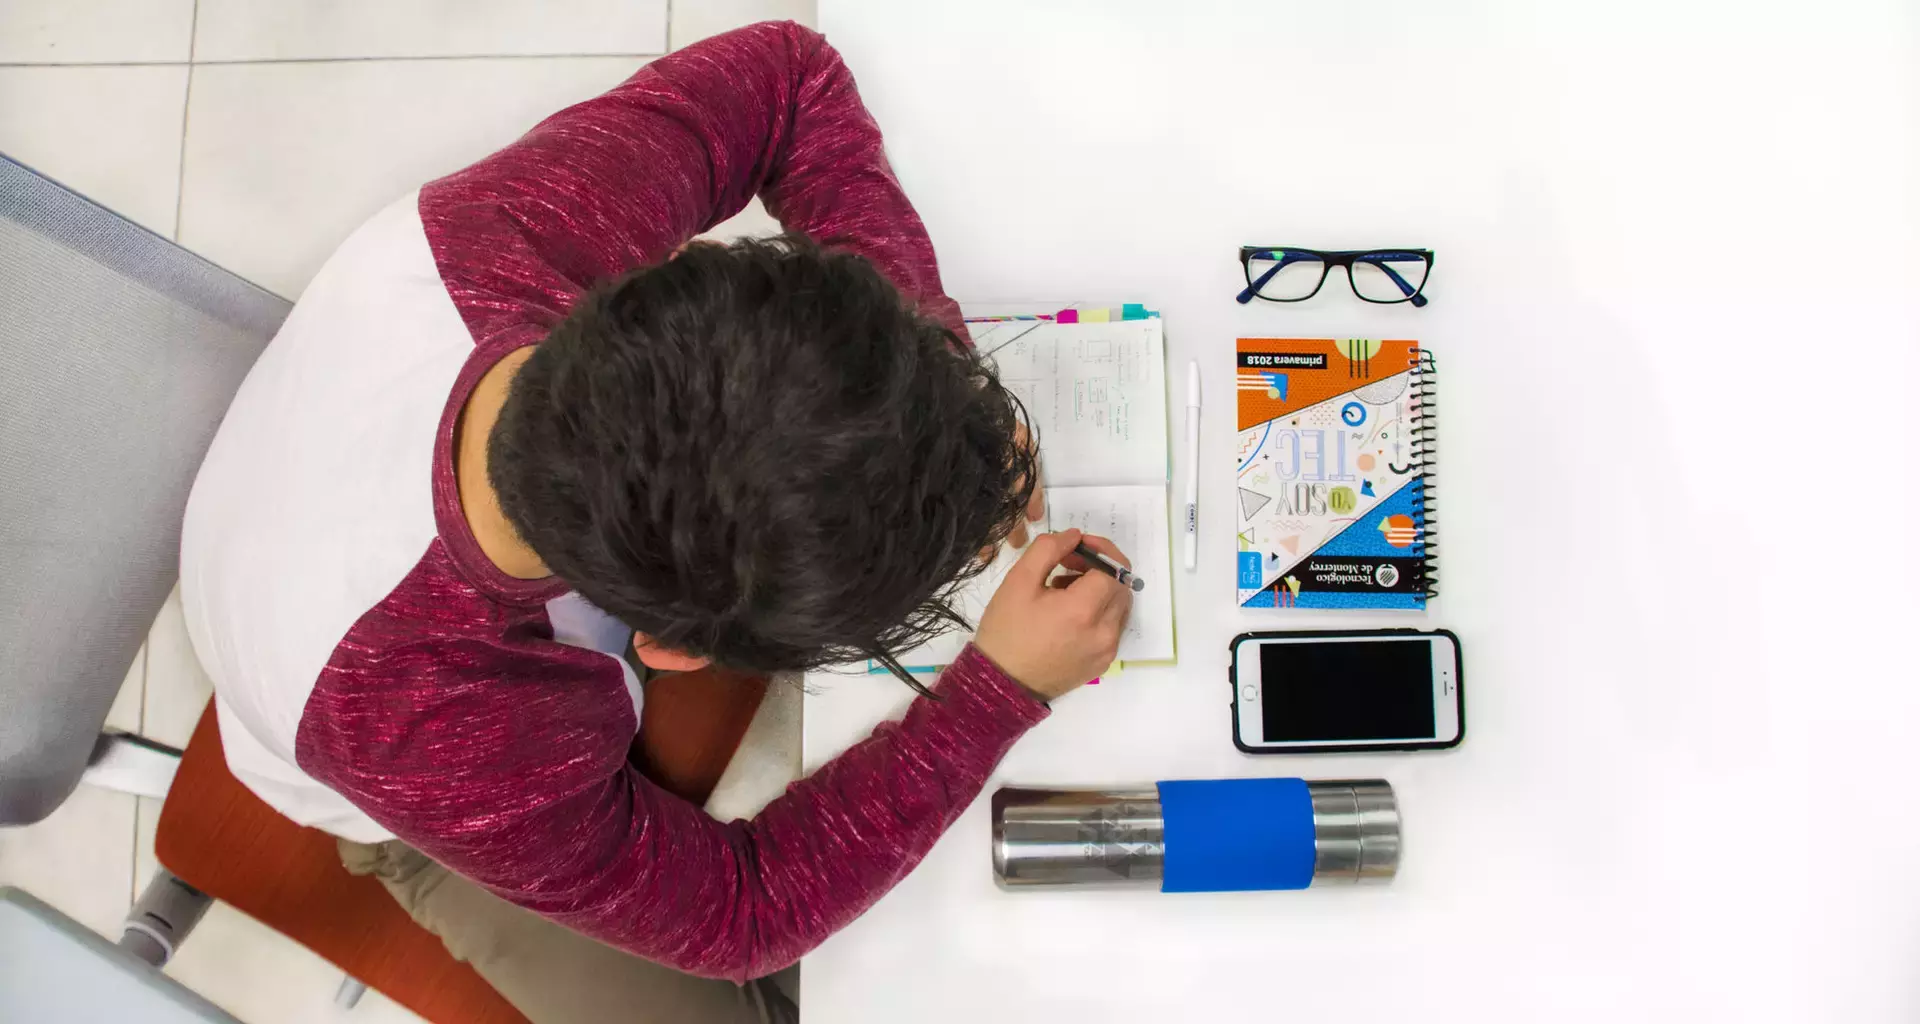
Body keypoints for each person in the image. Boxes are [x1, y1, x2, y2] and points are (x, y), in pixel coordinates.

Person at [179, 19, 1134, 1024]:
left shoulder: (517, 232)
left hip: (311, 552)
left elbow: (790, 77)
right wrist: (993, 694)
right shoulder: (439, 728)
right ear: (673, 651)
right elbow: (745, 910)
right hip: (381, 788)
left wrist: (926, 372)